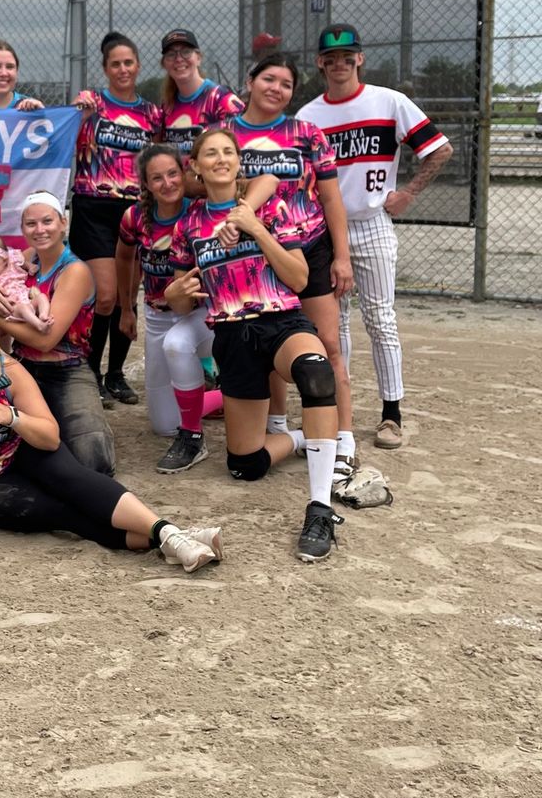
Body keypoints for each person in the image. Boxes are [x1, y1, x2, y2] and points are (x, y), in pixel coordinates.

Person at [0, 283, 222, 571]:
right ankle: (174, 541)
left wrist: (11, 417)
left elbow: (49, 434)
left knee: (77, 481)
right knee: (65, 514)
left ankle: (171, 534)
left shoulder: (6, 368)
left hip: (19, 452)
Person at [168, 128, 341, 563]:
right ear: (197, 166)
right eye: (211, 153)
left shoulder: (269, 207)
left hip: (281, 320)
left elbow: (299, 280)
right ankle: (303, 440)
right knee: (246, 466)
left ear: (239, 162)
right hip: (232, 335)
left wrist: (255, 228)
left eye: (229, 151)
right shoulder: (188, 224)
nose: (222, 159)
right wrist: (176, 293)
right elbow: (174, 297)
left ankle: (320, 508)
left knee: (316, 373)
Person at [296, 24, 453, 451]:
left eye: (348, 56)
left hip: (372, 224)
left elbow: (440, 149)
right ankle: (335, 408)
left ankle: (391, 413)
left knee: (381, 319)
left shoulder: (388, 102)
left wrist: (409, 194)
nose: (340, 63)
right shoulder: (309, 117)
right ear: (320, 63)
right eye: (332, 58)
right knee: (336, 325)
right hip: (327, 230)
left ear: (359, 59)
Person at [232, 52, 357, 485]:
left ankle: (344, 438)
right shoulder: (227, 133)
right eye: (268, 79)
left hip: (309, 246)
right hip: (253, 252)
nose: (276, 89)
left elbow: (331, 198)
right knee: (267, 343)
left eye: (286, 84)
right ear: (250, 81)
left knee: (327, 344)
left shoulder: (305, 133)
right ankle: (280, 426)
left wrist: (341, 255)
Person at [0, 191, 114, 476]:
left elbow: (46, 340)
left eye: (47, 221)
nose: (40, 230)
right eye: (31, 224)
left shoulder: (75, 271)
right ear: (22, 229)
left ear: (63, 222)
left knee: (94, 461)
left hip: (67, 369)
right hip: (22, 367)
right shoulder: (22, 260)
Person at [116, 144, 223, 470]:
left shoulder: (201, 211)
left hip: (202, 315)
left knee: (180, 346)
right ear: (146, 184)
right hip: (158, 315)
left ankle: (222, 392)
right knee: (163, 425)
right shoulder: (136, 216)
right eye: (157, 178)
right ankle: (224, 397)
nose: (167, 183)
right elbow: (123, 257)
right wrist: (126, 308)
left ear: (185, 173)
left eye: (173, 174)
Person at [71, 31, 162, 407]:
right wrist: (78, 113)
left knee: (126, 295)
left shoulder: (152, 114)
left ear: (138, 66)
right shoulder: (92, 107)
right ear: (106, 69)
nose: (123, 69)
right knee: (104, 296)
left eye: (129, 62)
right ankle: (90, 373)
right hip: (93, 207)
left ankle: (116, 374)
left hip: (134, 211)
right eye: (115, 64)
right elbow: (64, 140)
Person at [156, 28, 243, 165]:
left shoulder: (222, 100)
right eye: (171, 55)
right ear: (164, 64)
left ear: (198, 58)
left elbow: (240, 151)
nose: (179, 59)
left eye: (186, 52)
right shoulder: (167, 105)